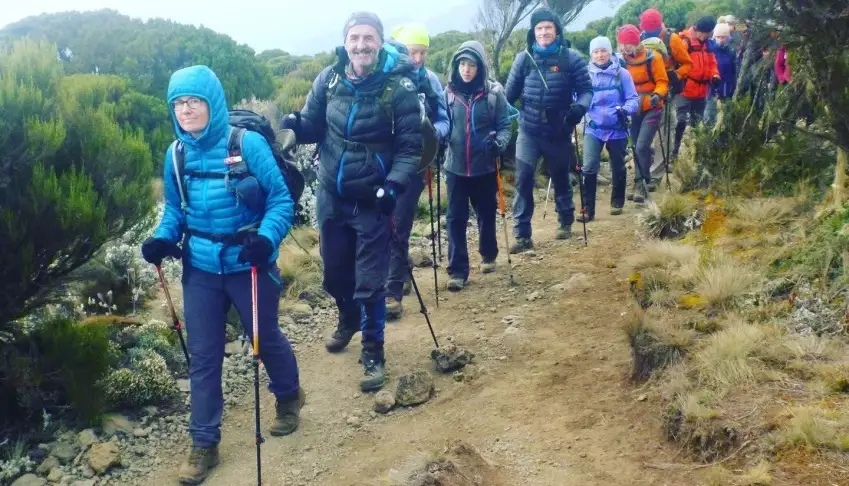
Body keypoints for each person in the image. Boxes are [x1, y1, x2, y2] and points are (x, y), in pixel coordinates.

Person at [141, 65, 303, 484]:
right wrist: (162, 238)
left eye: (194, 101)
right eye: (178, 103)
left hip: (248, 264)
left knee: (263, 337)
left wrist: (266, 239)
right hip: (201, 269)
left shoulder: (246, 144)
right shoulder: (175, 154)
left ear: (212, 102)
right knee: (204, 356)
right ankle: (203, 443)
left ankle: (289, 396)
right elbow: (175, 211)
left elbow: (281, 202)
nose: (186, 110)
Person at [280, 12, 423, 392]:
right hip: (331, 195)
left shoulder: (400, 90)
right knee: (334, 275)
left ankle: (373, 352)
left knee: (371, 283)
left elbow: (411, 148)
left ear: (380, 43)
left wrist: (393, 186)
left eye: (369, 38)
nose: (361, 45)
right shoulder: (329, 79)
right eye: (355, 38)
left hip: (374, 200)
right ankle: (347, 318)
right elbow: (313, 124)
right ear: (346, 42)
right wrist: (293, 123)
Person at [504, 6, 592, 251]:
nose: (543, 32)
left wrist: (579, 109)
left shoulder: (571, 58)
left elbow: (587, 91)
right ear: (533, 32)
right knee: (523, 179)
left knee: (561, 177)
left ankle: (565, 221)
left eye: (548, 28)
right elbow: (507, 97)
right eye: (539, 28)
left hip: (559, 129)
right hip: (528, 130)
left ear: (556, 31)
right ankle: (522, 235)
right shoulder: (523, 59)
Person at [384, 23, 450, 320]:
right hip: (381, 163)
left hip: (414, 164)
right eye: (413, 52)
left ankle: (392, 292)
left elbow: (443, 119)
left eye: (423, 52)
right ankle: (402, 269)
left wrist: (432, 135)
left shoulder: (431, 81)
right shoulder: (382, 79)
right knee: (381, 225)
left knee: (399, 223)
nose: (418, 58)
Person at [442, 40, 511, 291]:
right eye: (462, 64)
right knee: (455, 219)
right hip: (455, 167)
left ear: (480, 67)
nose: (466, 69)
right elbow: (442, 124)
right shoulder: (448, 94)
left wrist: (499, 145)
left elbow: (505, 126)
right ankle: (457, 271)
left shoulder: (493, 94)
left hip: (484, 166)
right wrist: (438, 138)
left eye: (471, 64)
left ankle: (488, 253)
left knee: (486, 212)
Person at [581, 36, 639, 219]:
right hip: (593, 127)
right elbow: (577, 98)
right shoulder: (584, 76)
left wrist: (626, 110)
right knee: (589, 167)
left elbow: (633, 99)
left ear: (610, 51)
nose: (600, 55)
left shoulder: (622, 74)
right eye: (596, 52)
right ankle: (587, 210)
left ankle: (617, 201)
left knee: (618, 166)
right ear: (591, 54)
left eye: (603, 50)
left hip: (617, 127)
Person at [617, 25, 669, 203]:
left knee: (641, 146)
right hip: (632, 109)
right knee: (635, 147)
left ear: (636, 43)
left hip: (652, 107)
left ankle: (640, 184)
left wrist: (657, 95)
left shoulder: (653, 57)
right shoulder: (621, 61)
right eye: (622, 44)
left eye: (628, 44)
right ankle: (643, 179)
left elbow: (662, 81)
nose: (625, 48)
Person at [671, 16, 720, 160]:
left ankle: (695, 154)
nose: (704, 36)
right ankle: (674, 152)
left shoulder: (708, 45)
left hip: (701, 91)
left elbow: (712, 64)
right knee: (680, 121)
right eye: (703, 33)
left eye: (707, 34)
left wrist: (715, 75)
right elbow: (676, 62)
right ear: (698, 30)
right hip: (685, 89)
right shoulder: (684, 42)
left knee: (697, 123)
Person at [639, 8, 693, 97]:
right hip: (645, 89)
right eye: (647, 32)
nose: (650, 35)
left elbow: (688, 64)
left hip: (667, 87)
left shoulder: (672, 39)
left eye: (653, 32)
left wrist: (676, 74)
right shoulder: (640, 39)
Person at [705, 23, 737, 127]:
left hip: (727, 89)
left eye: (723, 37)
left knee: (725, 117)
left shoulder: (731, 52)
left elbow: (733, 71)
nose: (721, 40)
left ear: (728, 37)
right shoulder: (710, 50)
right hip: (712, 89)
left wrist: (733, 87)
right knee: (710, 115)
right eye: (718, 37)